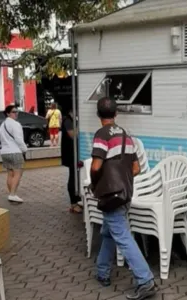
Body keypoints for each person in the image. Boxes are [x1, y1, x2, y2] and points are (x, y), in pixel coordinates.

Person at [91, 97, 157, 300]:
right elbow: (136, 168)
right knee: (110, 231)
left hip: (110, 195)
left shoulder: (102, 135)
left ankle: (145, 281)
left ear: (98, 114)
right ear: (116, 114)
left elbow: (95, 166)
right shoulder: (126, 136)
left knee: (122, 236)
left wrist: (96, 184)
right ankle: (102, 272)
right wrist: (122, 179)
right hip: (126, 193)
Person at [0, 105, 28, 203]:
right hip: (15, 152)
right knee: (18, 173)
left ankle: (11, 194)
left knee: (10, 174)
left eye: (17, 111)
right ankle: (12, 194)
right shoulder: (16, 124)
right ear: (7, 113)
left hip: (4, 152)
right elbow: (19, 139)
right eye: (13, 112)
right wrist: (24, 149)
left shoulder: (2, 125)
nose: (16, 114)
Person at [61, 106, 82, 213]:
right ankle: (73, 203)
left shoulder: (72, 120)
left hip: (74, 154)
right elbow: (73, 135)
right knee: (73, 178)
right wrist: (82, 127)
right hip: (70, 155)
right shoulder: (67, 120)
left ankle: (77, 201)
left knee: (77, 177)